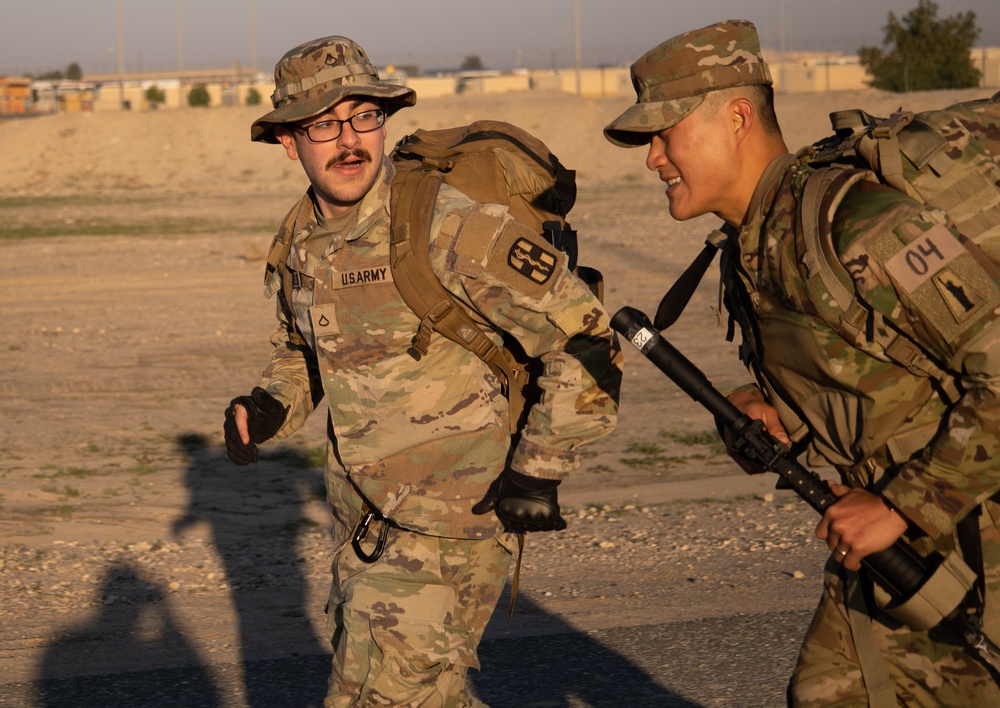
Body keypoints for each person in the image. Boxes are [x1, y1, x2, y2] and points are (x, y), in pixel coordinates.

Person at [604, 18, 1000, 706]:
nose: (654, 159)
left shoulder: (858, 223)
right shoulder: (755, 242)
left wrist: (902, 505)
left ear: (736, 117)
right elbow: (867, 374)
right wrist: (774, 416)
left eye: (665, 134)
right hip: (900, 553)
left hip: (970, 534)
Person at [224, 35, 622, 707]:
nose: (349, 139)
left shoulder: (447, 225)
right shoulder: (300, 238)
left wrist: (540, 467)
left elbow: (586, 336)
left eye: (364, 117)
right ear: (289, 142)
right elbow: (303, 348)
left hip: (451, 522)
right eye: (324, 124)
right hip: (362, 520)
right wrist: (266, 408)